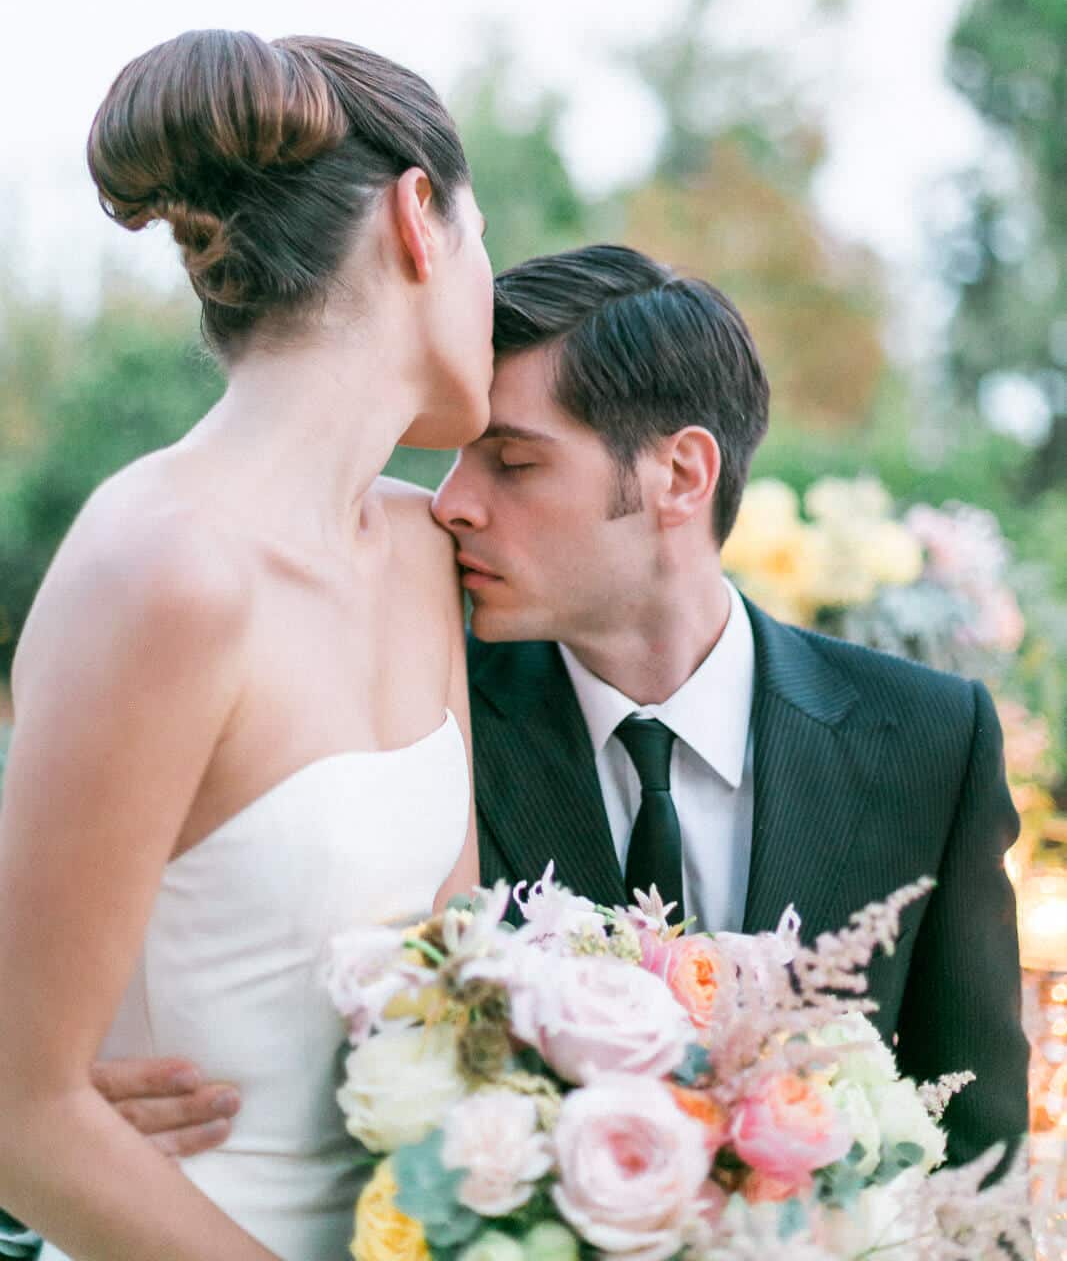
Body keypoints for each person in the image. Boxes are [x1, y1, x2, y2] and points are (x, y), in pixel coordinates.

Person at [3, 244, 1028, 1257]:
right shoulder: (413, 735)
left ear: (679, 473)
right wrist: (76, 1092)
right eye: (452, 456)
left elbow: (977, 1171)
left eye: (514, 461)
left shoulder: (927, 742)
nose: (450, 501)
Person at [0, 30, 492, 1261]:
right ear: (419, 217)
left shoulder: (422, 550)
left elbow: (462, 989)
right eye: (486, 242)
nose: (493, 284)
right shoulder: (159, 568)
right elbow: (25, 1110)